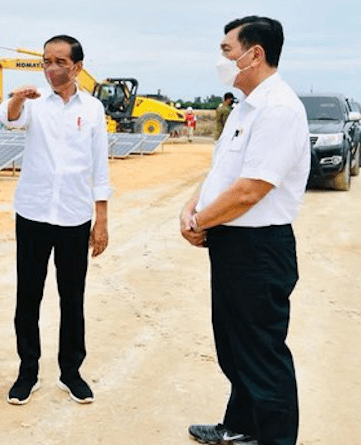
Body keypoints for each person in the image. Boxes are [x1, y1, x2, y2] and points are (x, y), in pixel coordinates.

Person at [180, 16, 308, 445]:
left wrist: (201, 221)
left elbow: (251, 190)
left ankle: (274, 439)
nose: (222, 60)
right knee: (236, 348)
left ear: (255, 54)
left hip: (259, 248)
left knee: (262, 354)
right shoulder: (244, 107)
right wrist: (191, 206)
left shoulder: (279, 109)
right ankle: (240, 426)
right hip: (233, 243)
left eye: (227, 50)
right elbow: (223, 172)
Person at [0, 35, 111, 406]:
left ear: (77, 67)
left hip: (75, 216)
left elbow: (100, 167)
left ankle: (71, 371)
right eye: (46, 61)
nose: (51, 68)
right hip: (33, 213)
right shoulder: (34, 104)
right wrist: (15, 98)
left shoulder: (93, 109)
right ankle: (27, 371)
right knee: (28, 295)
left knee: (71, 296)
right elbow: (8, 120)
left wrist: (102, 220)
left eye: (60, 61)